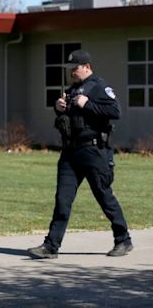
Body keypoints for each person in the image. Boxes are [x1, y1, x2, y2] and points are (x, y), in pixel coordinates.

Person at [28, 50, 133, 259]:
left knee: (104, 196)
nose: (72, 72)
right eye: (70, 69)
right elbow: (68, 118)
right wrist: (59, 108)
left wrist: (88, 104)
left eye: (74, 68)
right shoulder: (73, 89)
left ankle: (123, 239)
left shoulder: (100, 87)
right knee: (62, 199)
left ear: (87, 66)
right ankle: (51, 246)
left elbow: (116, 111)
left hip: (94, 151)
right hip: (70, 151)